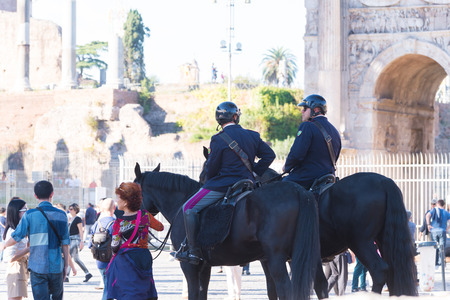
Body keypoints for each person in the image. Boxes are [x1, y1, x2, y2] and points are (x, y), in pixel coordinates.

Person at [174, 101, 275, 264]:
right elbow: (269, 155)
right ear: (235, 117)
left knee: (189, 208)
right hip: (247, 184)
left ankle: (193, 251)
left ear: (219, 120)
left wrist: (212, 177)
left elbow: (212, 168)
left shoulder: (218, 139)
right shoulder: (253, 135)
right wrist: (254, 173)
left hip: (222, 185)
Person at [0, 180, 70, 300]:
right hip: (56, 265)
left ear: (35, 196)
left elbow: (16, 237)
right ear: (52, 194)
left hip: (37, 266)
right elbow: (65, 243)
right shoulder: (62, 215)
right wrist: (66, 266)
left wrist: (4, 245)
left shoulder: (30, 214)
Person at [107, 182, 164, 300]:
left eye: (118, 198)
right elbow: (160, 227)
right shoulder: (145, 215)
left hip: (126, 261)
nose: (116, 201)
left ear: (126, 202)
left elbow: (114, 246)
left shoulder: (119, 222)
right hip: (143, 258)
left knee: (128, 292)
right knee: (143, 290)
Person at [282, 94, 341, 190]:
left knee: (280, 187)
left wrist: (287, 167)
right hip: (328, 178)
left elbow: (296, 154)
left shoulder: (307, 126)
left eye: (305, 108)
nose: (302, 111)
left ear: (316, 110)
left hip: (308, 178)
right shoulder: (335, 131)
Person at [2, 198, 29, 300]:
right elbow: (10, 257)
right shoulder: (12, 231)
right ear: (16, 212)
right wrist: (29, 249)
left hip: (20, 267)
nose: (27, 213)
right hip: (15, 268)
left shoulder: (18, 229)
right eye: (25, 210)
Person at [88, 198, 115, 300]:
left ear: (102, 209)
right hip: (112, 262)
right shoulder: (115, 223)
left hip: (100, 261)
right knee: (108, 290)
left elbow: (90, 245)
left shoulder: (96, 224)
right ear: (114, 208)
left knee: (108, 287)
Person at [65, 203, 92, 283]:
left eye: (71, 209)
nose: (69, 210)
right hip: (70, 239)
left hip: (75, 239)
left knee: (69, 255)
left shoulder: (78, 219)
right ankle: (87, 273)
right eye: (69, 209)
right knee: (76, 259)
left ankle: (66, 276)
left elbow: (81, 230)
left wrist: (82, 241)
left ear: (75, 210)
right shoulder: (70, 218)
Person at [426, 199, 450, 266]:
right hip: (442, 231)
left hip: (434, 231)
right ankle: (442, 263)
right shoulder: (446, 212)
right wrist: (447, 228)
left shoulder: (434, 210)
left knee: (435, 247)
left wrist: (428, 225)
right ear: (444, 205)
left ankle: (435, 263)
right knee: (442, 247)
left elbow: (427, 215)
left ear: (437, 204)